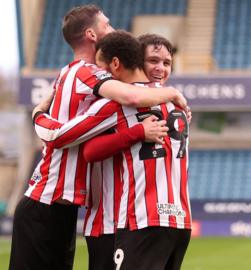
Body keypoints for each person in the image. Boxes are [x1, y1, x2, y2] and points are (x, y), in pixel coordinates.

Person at [9, 4, 187, 270]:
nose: (112, 28)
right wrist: (37, 115)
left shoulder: (73, 75)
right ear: (92, 35)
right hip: (48, 203)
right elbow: (130, 97)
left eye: (166, 63)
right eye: (107, 24)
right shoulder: (90, 75)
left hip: (74, 211)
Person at [83, 33, 182, 270]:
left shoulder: (174, 105)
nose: (160, 68)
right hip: (111, 223)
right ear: (137, 61)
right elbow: (88, 149)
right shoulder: (118, 101)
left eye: (166, 63)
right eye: (153, 61)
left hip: (146, 220)